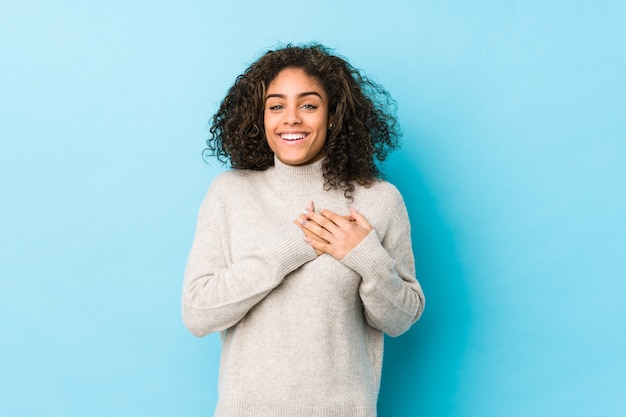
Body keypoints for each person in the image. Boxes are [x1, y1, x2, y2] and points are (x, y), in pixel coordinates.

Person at [182, 44, 425, 417]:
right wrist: (288, 250)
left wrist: (367, 257)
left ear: (332, 116)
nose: (291, 118)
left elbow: (399, 320)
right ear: (259, 117)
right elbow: (198, 313)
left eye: (308, 105)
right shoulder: (230, 193)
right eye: (276, 106)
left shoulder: (379, 200)